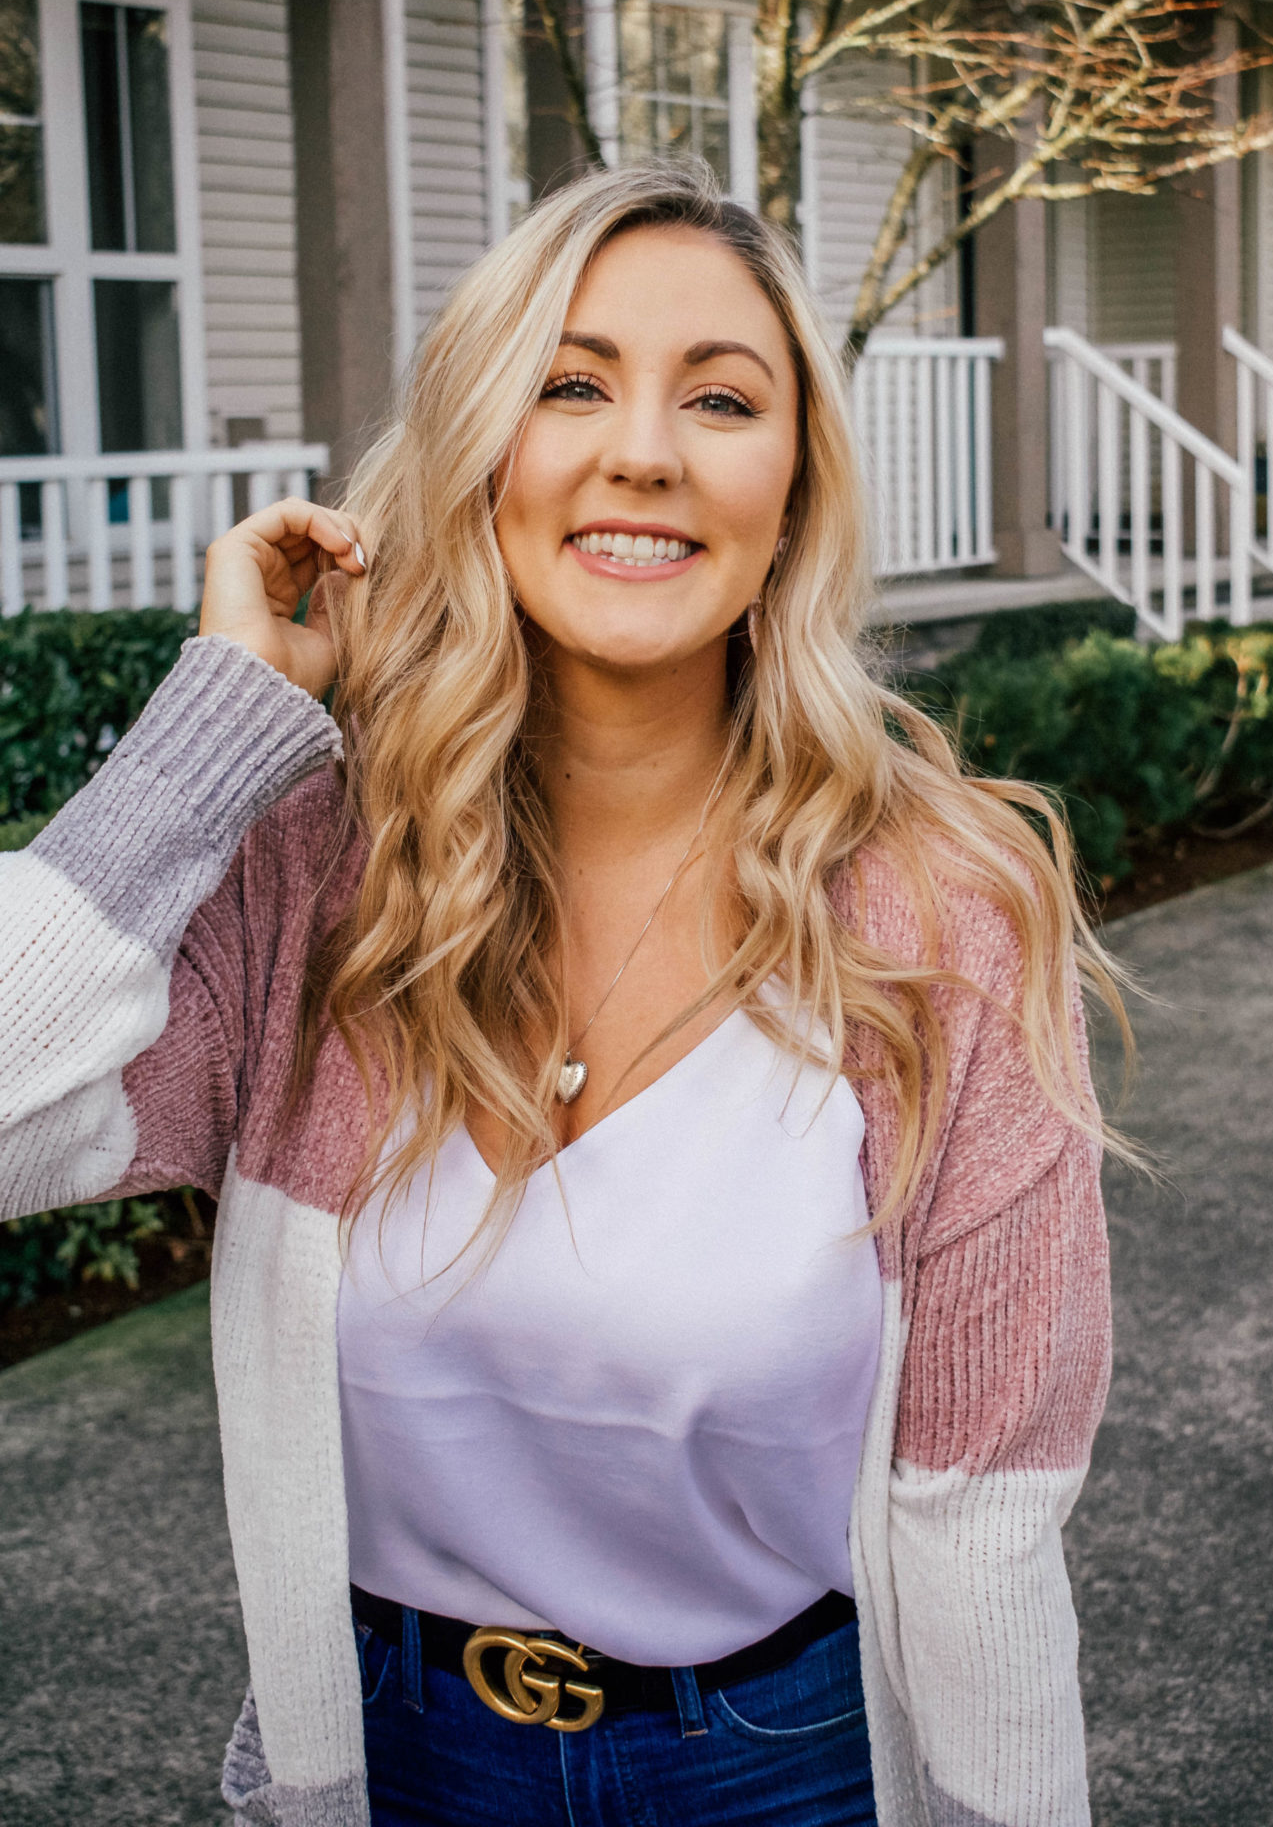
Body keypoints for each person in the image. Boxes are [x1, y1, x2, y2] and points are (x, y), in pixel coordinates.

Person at [0, 161, 1119, 1827]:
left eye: (721, 398)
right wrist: (216, 725)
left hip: (786, 1765)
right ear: (479, 450)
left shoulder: (941, 920)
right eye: (569, 382)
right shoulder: (314, 876)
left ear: (796, 484)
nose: (645, 448)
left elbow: (979, 1511)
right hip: (389, 1760)